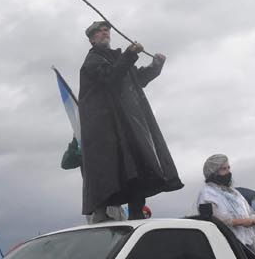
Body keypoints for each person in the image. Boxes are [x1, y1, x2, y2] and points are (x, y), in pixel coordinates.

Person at [78, 22, 183, 223]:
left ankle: (136, 212)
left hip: (126, 125)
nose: (105, 33)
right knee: (107, 169)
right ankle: (101, 214)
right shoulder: (92, 61)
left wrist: (155, 66)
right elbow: (110, 77)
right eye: (99, 31)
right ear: (91, 39)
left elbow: (137, 79)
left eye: (106, 30)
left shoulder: (117, 58)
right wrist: (129, 54)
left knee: (136, 167)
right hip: (105, 128)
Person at [194, 155, 255, 254]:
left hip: (246, 246)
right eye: (224, 169)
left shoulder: (234, 194)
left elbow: (249, 217)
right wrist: (241, 222)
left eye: (229, 168)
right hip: (227, 248)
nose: (228, 172)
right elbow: (214, 220)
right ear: (213, 172)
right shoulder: (207, 194)